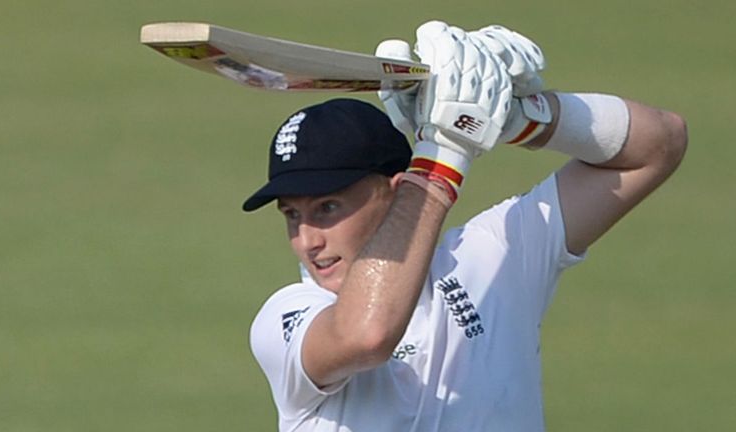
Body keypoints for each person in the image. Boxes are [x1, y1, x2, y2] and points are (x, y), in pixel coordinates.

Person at [245, 21, 687, 431]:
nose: (307, 241)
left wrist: (525, 118)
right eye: (291, 214)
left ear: (397, 191)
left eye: (327, 208)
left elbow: (660, 143)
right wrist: (445, 152)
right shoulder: (288, 318)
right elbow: (367, 334)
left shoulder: (492, 258)